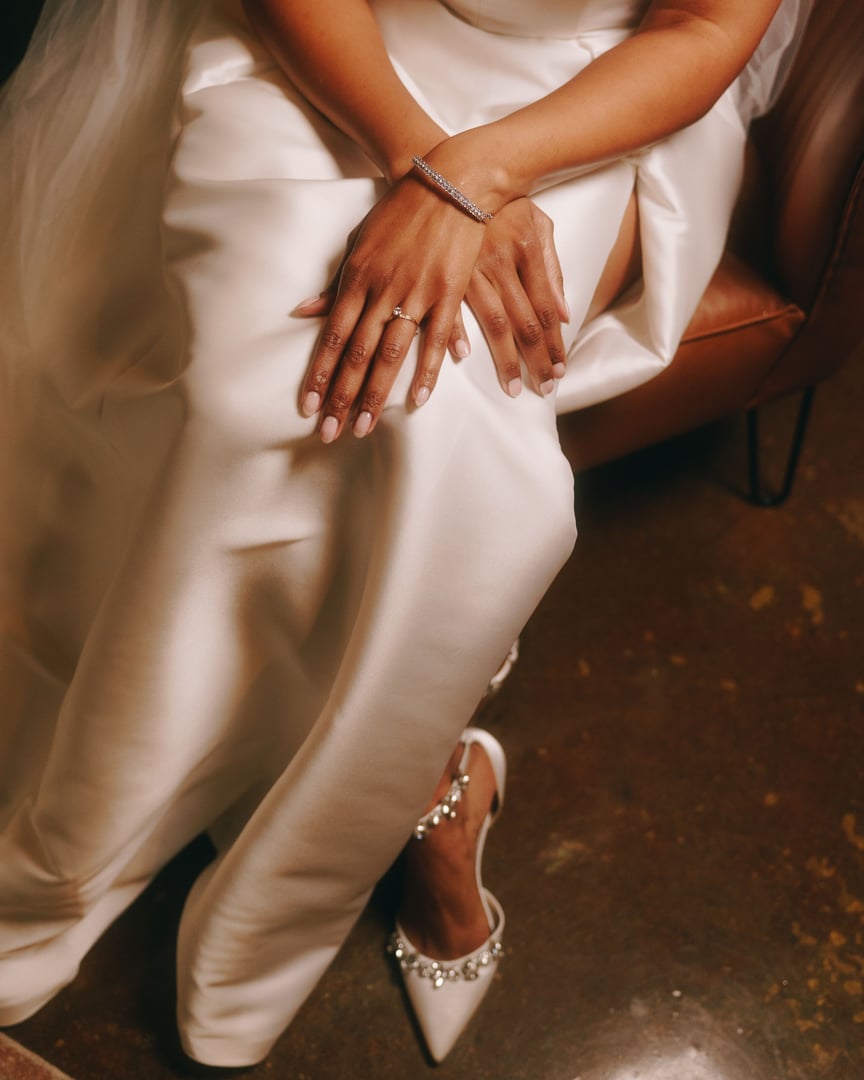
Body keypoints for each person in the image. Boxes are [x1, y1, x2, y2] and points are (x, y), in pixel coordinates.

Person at [0, 0, 812, 1067]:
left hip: (581, 106)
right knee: (265, 397)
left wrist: (480, 177)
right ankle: (116, 819)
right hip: (341, 55)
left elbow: (704, 28)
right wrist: (424, 164)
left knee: (428, 427)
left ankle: (347, 844)